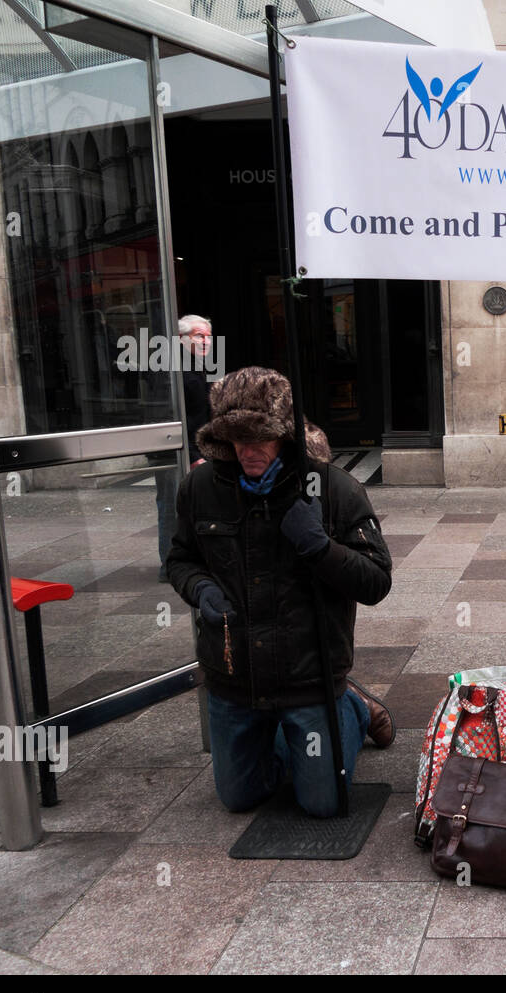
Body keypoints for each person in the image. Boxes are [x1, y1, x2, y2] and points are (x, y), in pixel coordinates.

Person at [167, 366, 394, 817]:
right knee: (240, 798)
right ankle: (279, 737)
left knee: (323, 803)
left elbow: (376, 582)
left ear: (286, 435)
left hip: (307, 676)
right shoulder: (201, 487)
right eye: (236, 439)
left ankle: (351, 708)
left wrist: (320, 547)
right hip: (235, 676)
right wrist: (201, 588)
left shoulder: (330, 487)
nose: (247, 451)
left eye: (260, 438)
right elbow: (180, 558)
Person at [155, 314, 214, 581]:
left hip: (192, 448)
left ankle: (188, 560)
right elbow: (169, 414)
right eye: (199, 335)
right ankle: (170, 565)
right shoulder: (172, 368)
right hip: (174, 450)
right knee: (171, 506)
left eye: (208, 336)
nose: (206, 340)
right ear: (182, 339)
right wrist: (191, 455)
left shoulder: (196, 364)